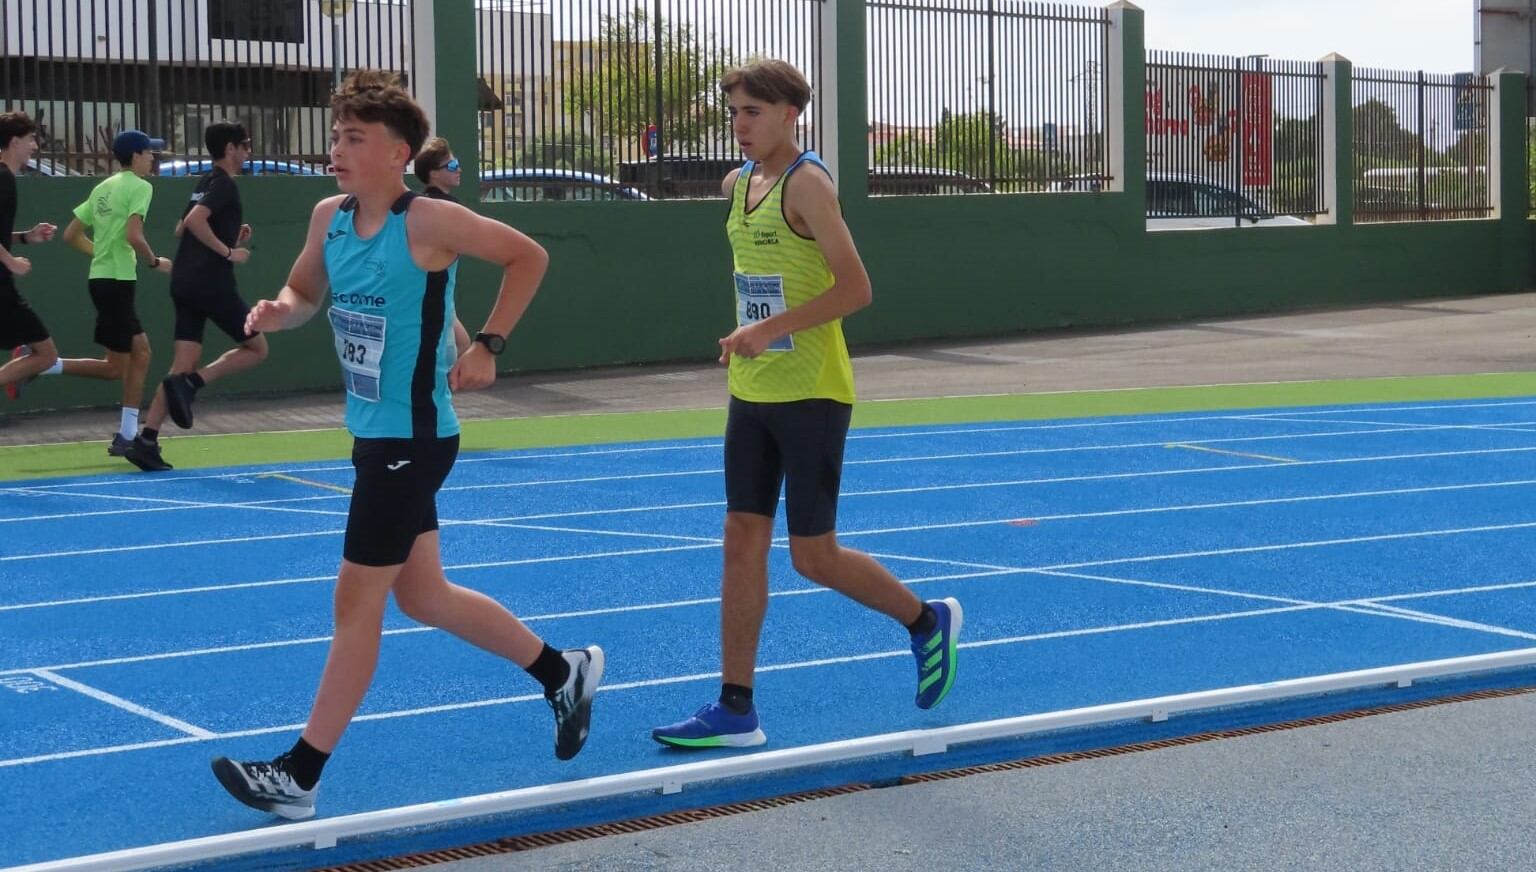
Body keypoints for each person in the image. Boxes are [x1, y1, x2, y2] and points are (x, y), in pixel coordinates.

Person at [210, 71, 602, 821]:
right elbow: (302, 293)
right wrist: (277, 310)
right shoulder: (328, 215)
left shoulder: (428, 222)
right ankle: (563, 671)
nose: (337, 149)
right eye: (336, 136)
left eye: (354, 138)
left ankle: (300, 773)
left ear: (397, 153)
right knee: (423, 596)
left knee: (357, 602)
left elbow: (529, 257)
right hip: (373, 434)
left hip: (414, 437)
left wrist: (488, 343)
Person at [652, 59, 961, 750]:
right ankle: (736, 707)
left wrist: (767, 328)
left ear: (791, 113)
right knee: (740, 541)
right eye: (733, 111)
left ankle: (924, 620)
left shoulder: (810, 185)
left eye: (752, 112)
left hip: (813, 393)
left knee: (813, 557)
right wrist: (751, 338)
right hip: (751, 393)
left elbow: (856, 289)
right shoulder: (737, 185)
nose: (739, 124)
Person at [123, 121, 264, 472]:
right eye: (244, 145)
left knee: (179, 366)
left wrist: (230, 235)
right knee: (257, 348)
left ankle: (146, 441)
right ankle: (193, 384)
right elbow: (197, 221)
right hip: (210, 284)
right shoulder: (225, 185)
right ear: (230, 148)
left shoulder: (204, 181)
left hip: (184, 281)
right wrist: (229, 252)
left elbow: (181, 226)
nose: (248, 151)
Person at [58, 129, 172, 455]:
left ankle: (126, 434)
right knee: (113, 368)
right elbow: (136, 235)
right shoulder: (140, 187)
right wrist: (154, 263)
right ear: (135, 155)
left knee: (142, 354)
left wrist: (102, 254)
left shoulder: (102, 187)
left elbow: (70, 234)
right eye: (149, 152)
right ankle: (43, 364)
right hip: (119, 283)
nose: (153, 157)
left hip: (104, 280)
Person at [0, 111, 59, 400]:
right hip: (1, 288)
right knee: (46, 354)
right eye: (30, 139)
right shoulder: (3, 179)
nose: (34, 146)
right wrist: (11, 262)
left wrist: (25, 237)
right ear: (14, 142)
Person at [412, 136, 470, 357]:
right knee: (450, 354)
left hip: (436, 298)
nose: (459, 169)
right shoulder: (450, 208)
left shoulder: (417, 205)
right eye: (453, 166)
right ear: (434, 173)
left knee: (463, 344)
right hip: (434, 298)